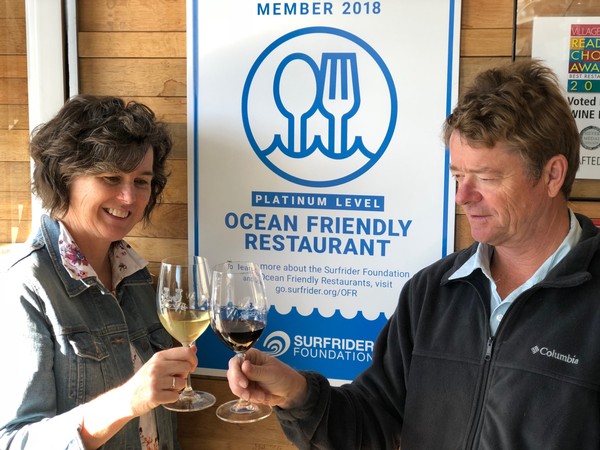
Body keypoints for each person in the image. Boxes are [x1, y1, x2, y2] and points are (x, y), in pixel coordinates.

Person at [225, 59, 600, 449]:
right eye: (458, 176)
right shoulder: (431, 292)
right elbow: (372, 422)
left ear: (553, 175)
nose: (463, 197)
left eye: (487, 178)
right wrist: (298, 395)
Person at [0, 95, 197, 449]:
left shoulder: (134, 274)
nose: (128, 198)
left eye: (141, 181)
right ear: (64, 178)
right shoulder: (25, 287)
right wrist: (126, 401)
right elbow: (14, 441)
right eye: (110, 178)